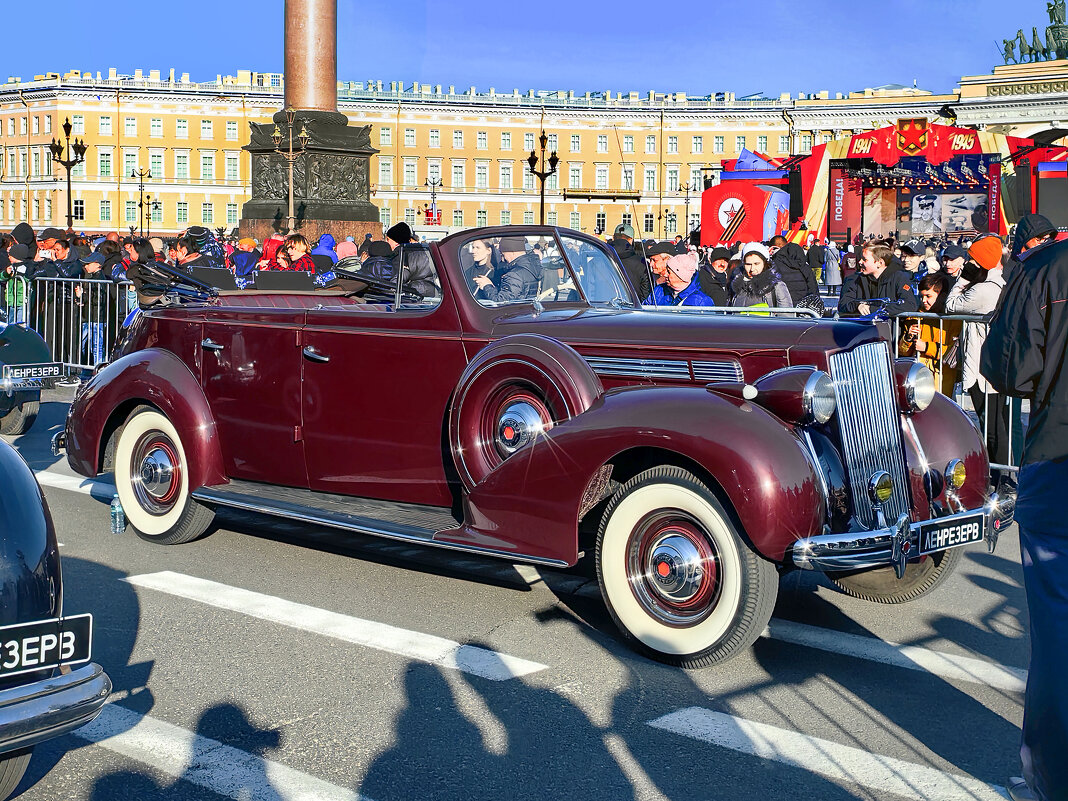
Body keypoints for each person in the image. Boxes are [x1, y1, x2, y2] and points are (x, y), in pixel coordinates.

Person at [981, 230, 1068, 801]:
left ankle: (1053, 779)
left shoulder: (1047, 269)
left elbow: (1008, 369)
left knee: (1059, 633)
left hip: (1057, 458)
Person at [945, 235, 1009, 473]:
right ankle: (999, 475)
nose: (967, 264)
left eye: (972, 259)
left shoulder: (984, 290)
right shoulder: (993, 285)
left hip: (982, 369)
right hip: (987, 366)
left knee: (992, 426)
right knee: (992, 424)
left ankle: (1000, 476)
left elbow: (951, 306)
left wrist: (963, 279)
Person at [898, 273, 960, 395]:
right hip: (918, 377)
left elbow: (952, 352)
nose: (923, 301)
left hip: (941, 377)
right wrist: (908, 338)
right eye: (921, 296)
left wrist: (926, 347)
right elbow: (902, 351)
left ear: (941, 295)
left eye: (928, 296)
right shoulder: (915, 316)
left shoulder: (953, 319)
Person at [838, 243, 919, 317]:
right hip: (863, 329)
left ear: (879, 263)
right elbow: (843, 304)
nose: (860, 262)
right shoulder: (856, 280)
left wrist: (876, 310)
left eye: (864, 259)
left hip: (889, 330)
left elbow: (910, 304)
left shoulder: (899, 278)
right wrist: (858, 305)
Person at [473, 236, 540, 303]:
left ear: (511, 252)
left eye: (503, 254)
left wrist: (487, 286)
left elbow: (501, 302)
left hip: (515, 311)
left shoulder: (514, 275)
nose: (503, 258)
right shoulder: (533, 267)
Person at [730, 243, 792, 310]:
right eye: (748, 264)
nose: (752, 269)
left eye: (756, 264)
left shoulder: (776, 286)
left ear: (765, 263)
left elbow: (786, 316)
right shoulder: (736, 286)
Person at [645, 251, 715, 307]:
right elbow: (644, 310)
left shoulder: (701, 302)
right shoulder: (659, 291)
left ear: (681, 276)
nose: (665, 275)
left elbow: (709, 323)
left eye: (669, 272)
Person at [608, 223, 651, 301]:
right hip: (632, 309)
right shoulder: (642, 262)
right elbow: (646, 293)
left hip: (603, 309)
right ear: (631, 240)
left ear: (613, 238)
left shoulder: (599, 259)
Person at [771, 241, 817, 307]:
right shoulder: (805, 267)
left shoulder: (775, 265)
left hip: (782, 306)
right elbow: (813, 288)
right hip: (803, 307)